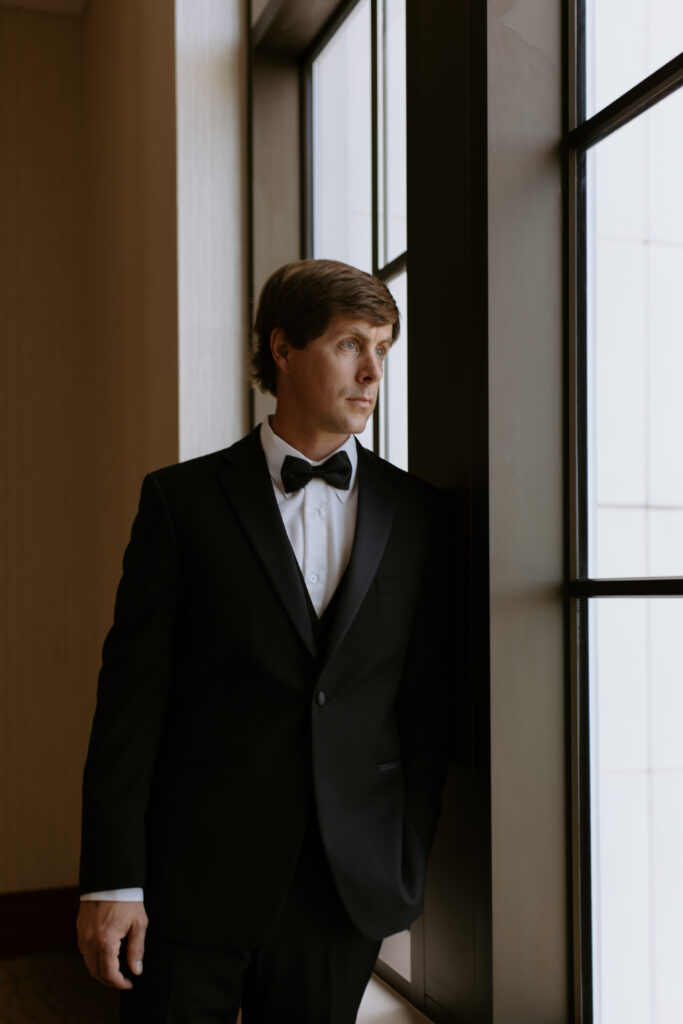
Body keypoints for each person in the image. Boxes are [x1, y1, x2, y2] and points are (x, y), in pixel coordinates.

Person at [77, 258, 451, 1023]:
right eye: (351, 344)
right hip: (191, 883)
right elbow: (129, 705)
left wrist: (403, 857)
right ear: (282, 350)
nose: (373, 371)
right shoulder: (180, 503)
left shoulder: (416, 515)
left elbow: (425, 706)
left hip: (342, 892)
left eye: (383, 347)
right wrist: (112, 879)